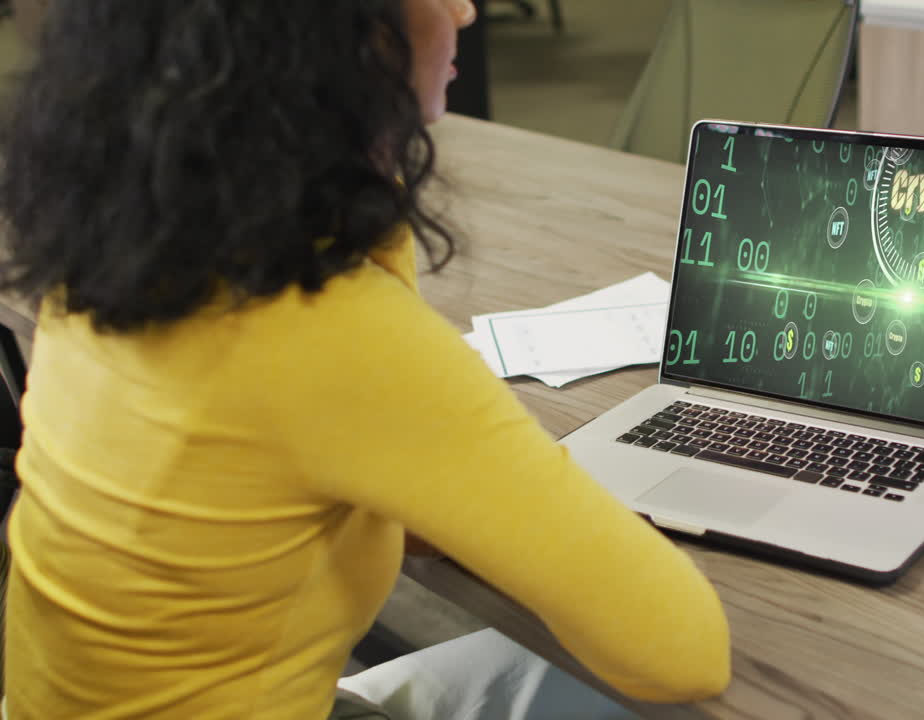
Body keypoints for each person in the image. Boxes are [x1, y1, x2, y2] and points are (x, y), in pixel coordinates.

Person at [0, 1, 731, 717]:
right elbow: (684, 651)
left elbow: (401, 515)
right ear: (337, 35)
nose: (465, 12)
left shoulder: (118, 255)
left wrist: (371, 167)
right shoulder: (324, 330)